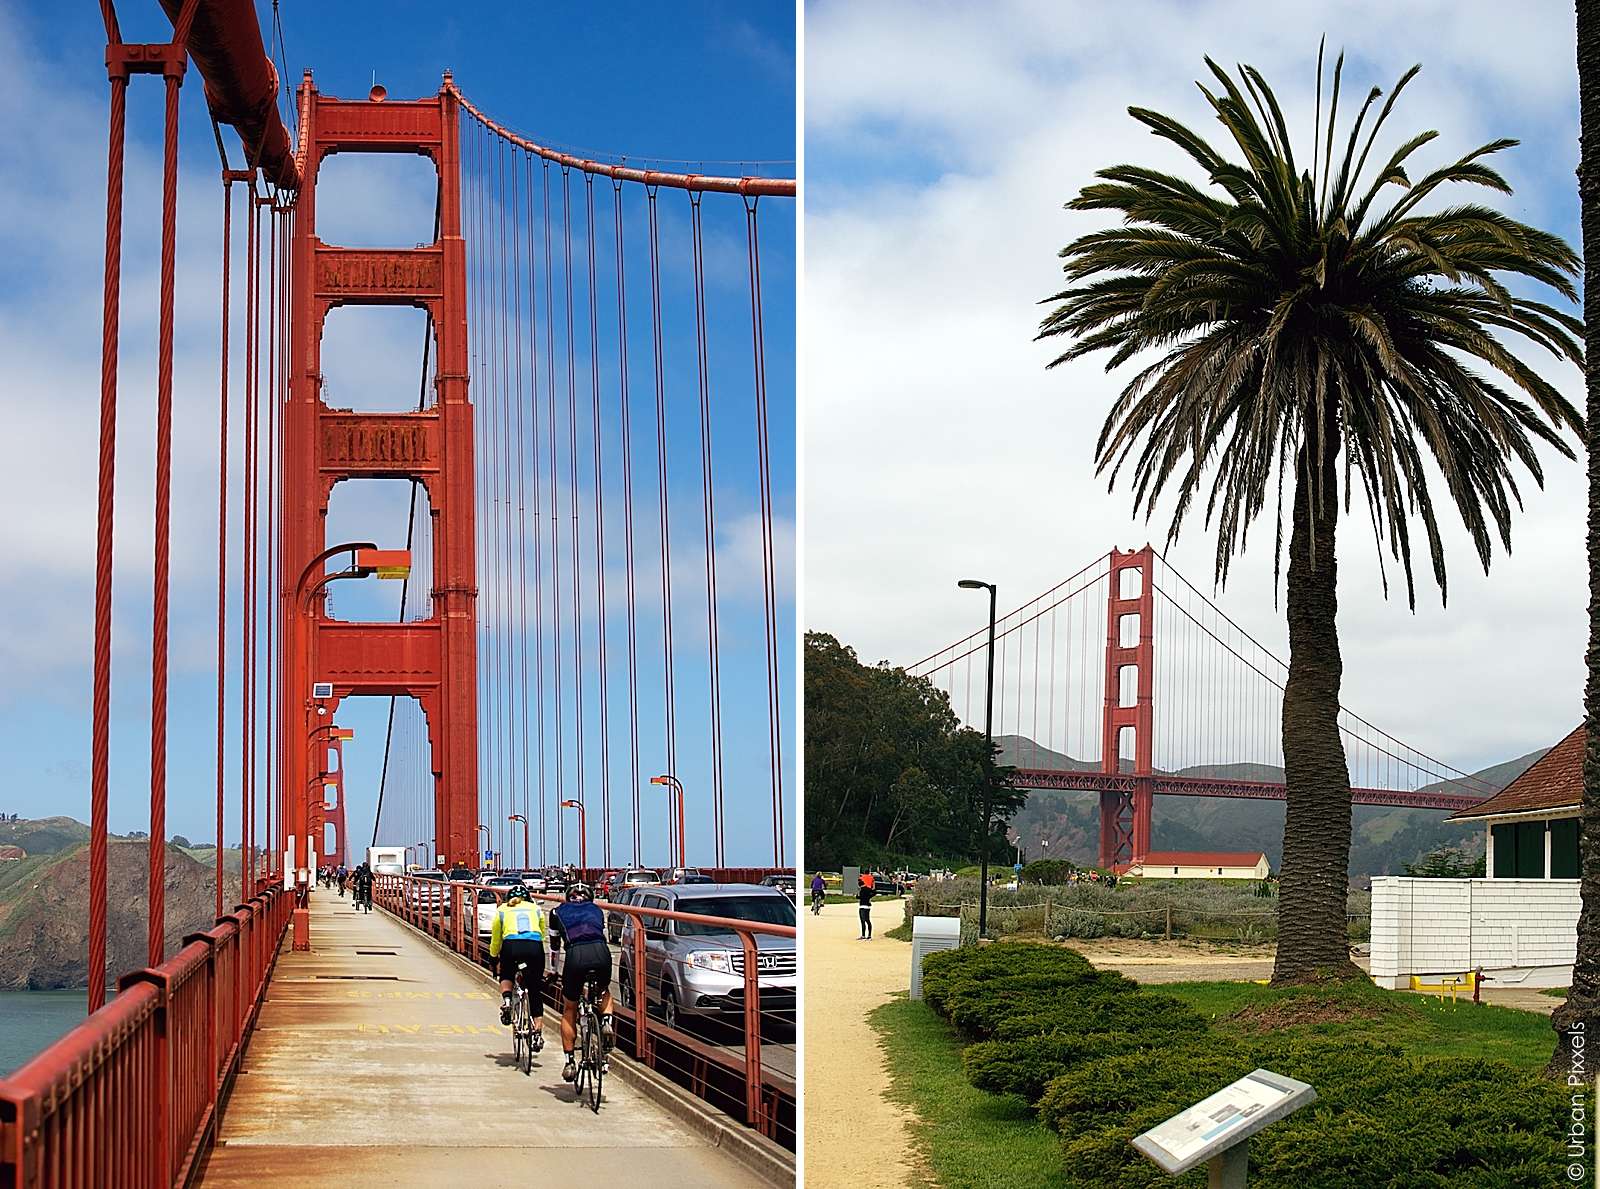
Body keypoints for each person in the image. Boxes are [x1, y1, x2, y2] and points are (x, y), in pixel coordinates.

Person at [547, 882, 615, 1084]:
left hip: (576, 955)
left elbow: (554, 946)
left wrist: (552, 971)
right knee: (604, 991)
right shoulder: (597, 909)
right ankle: (605, 1022)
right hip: (601, 953)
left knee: (570, 1008)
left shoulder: (556, 912)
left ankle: (569, 1062)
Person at [489, 884, 546, 1051]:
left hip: (511, 946)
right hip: (534, 947)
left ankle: (507, 1001)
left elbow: (496, 939)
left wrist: (493, 958)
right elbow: (541, 934)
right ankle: (536, 1033)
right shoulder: (536, 909)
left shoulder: (502, 910)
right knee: (534, 989)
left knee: (506, 973)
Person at [857, 872, 875, 939]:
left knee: (862, 921)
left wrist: (857, 896)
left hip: (862, 906)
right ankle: (869, 935)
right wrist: (869, 897)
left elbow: (860, 897)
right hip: (868, 906)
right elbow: (874, 892)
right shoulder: (868, 889)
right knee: (868, 920)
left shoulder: (861, 890)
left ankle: (863, 935)